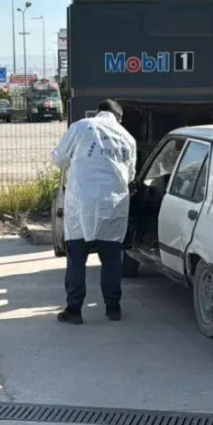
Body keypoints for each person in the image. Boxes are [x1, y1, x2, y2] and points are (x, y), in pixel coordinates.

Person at [51, 99, 136, 324]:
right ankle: (113, 308)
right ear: (119, 118)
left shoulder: (81, 127)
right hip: (114, 204)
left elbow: (58, 159)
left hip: (82, 205)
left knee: (77, 259)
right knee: (111, 259)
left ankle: (74, 310)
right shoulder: (127, 137)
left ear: (98, 112)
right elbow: (131, 175)